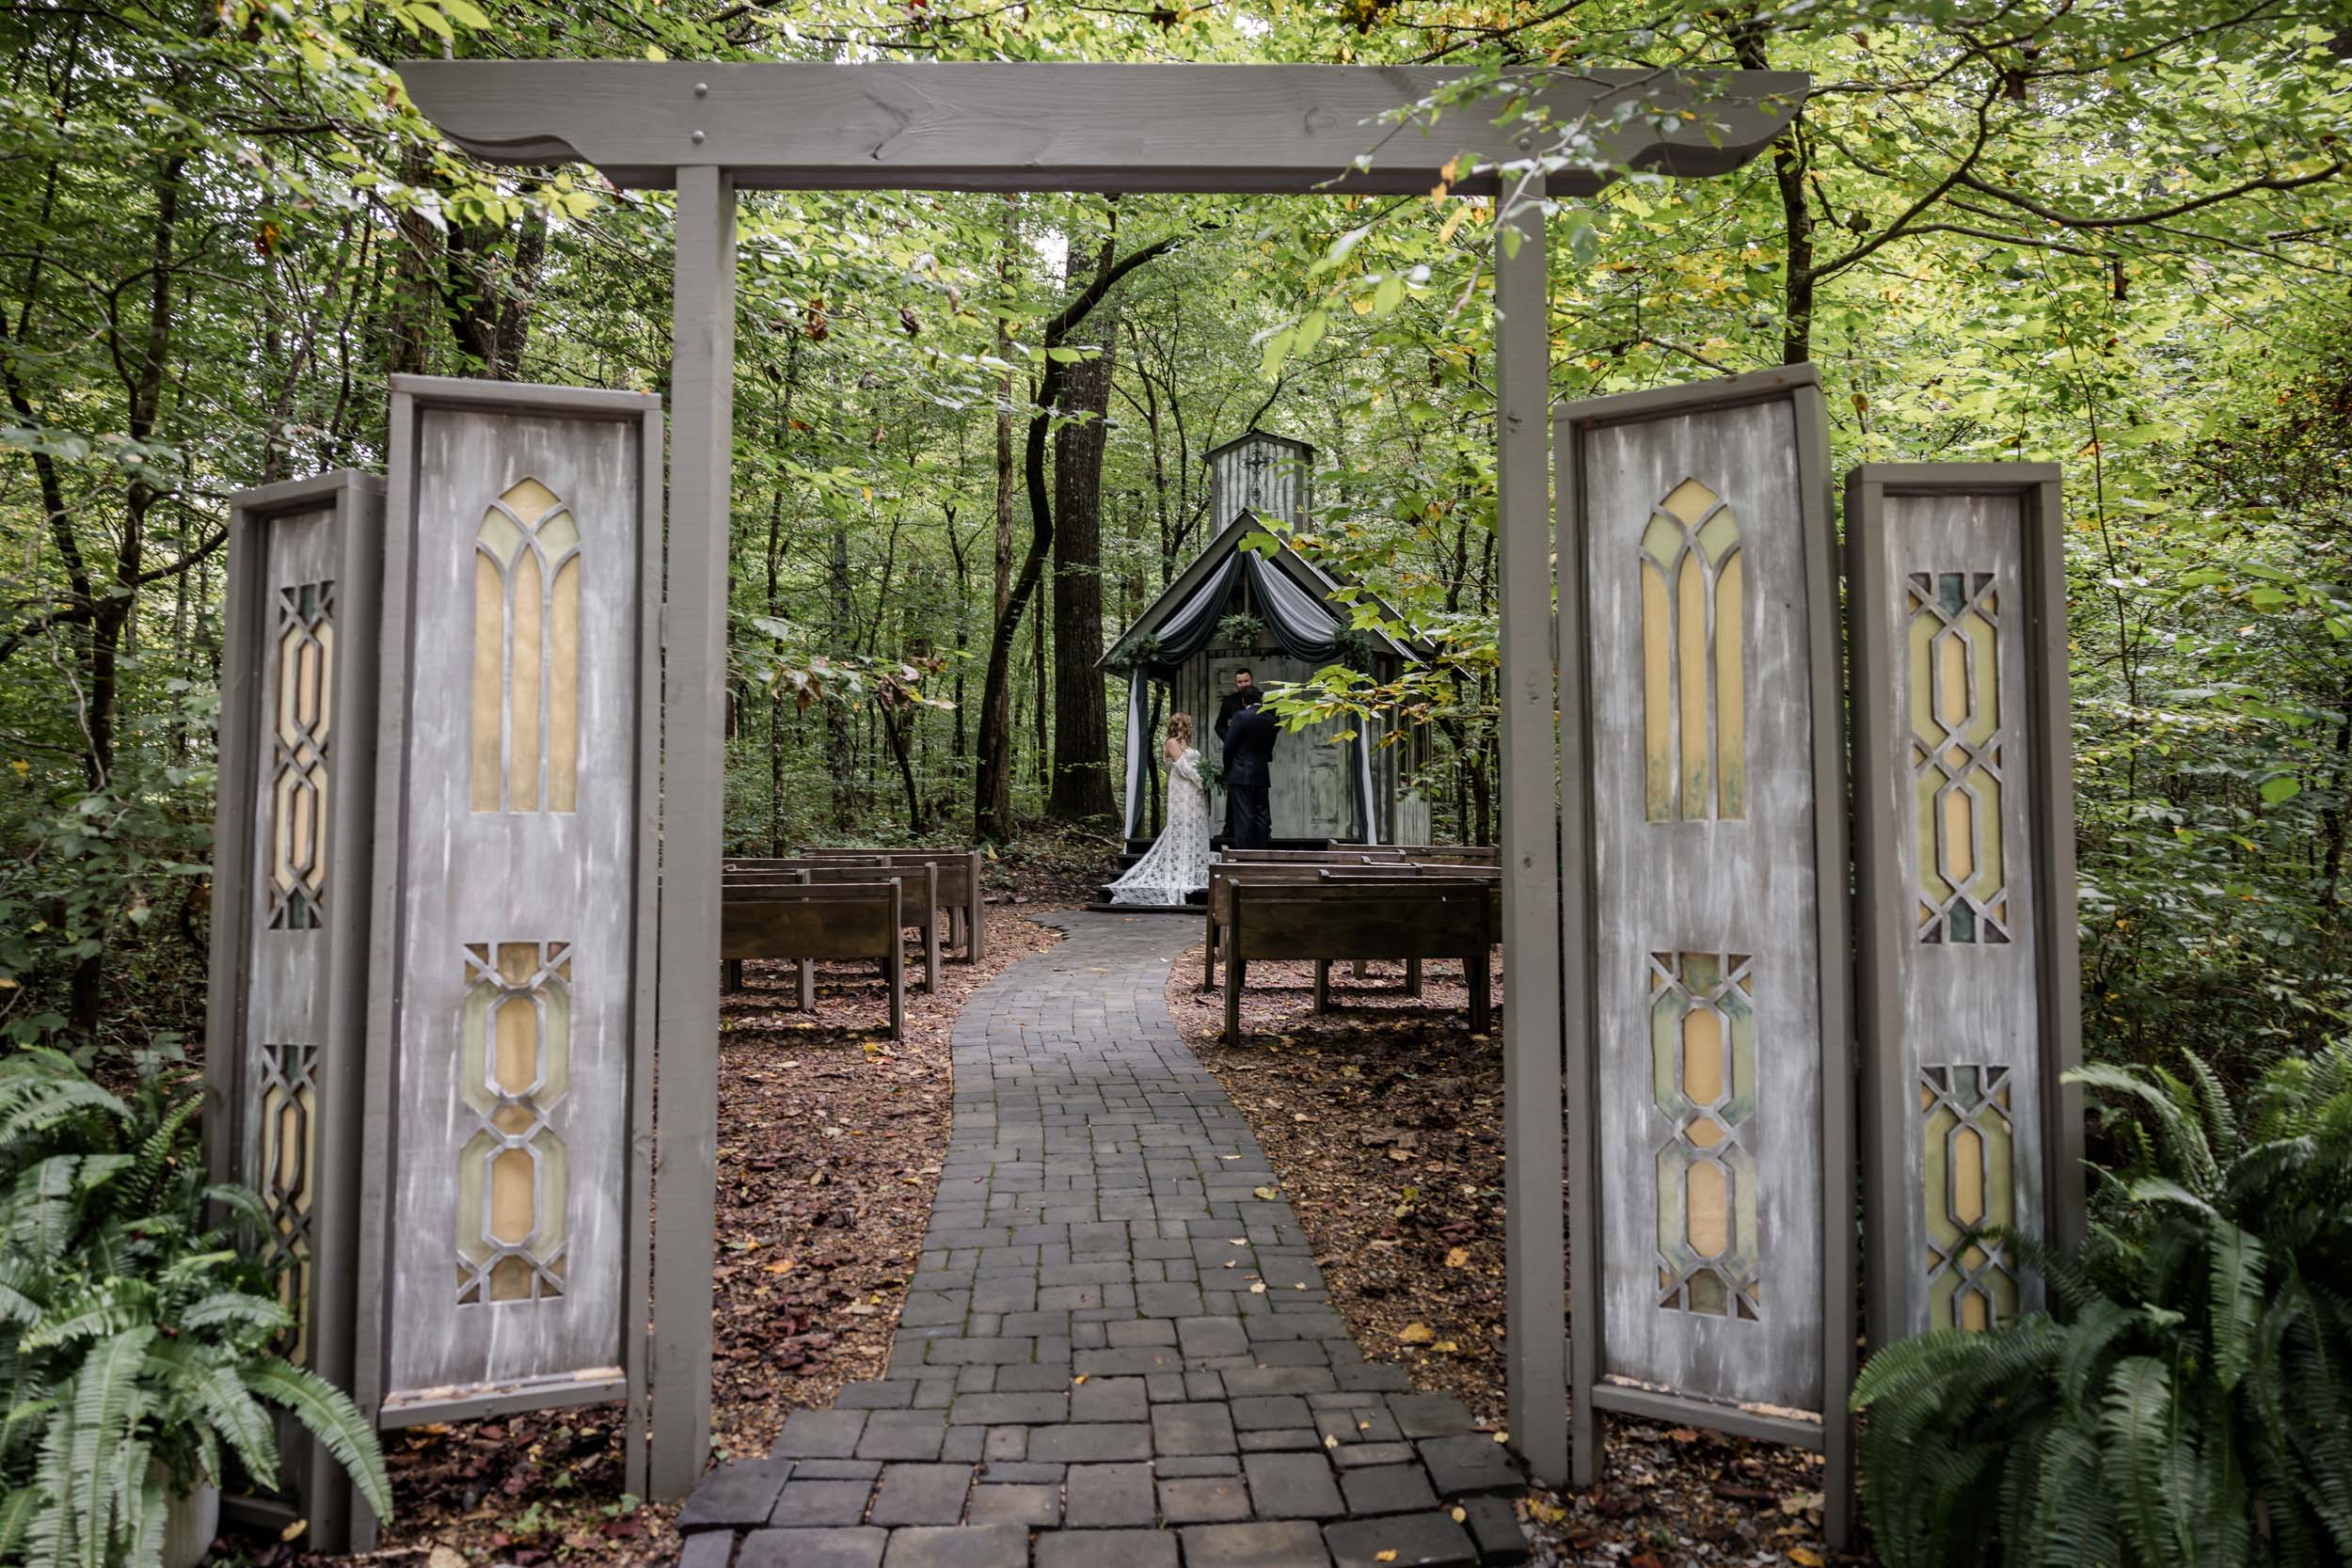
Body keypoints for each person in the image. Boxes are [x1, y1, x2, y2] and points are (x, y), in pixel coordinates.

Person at [1107, 713, 1212, 906]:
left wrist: (1206, 779)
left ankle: (1192, 870)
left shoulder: (1189, 746)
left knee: (1194, 827)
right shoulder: (1172, 743)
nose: (1187, 727)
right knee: (1180, 829)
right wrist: (1202, 779)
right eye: (1184, 724)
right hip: (1182, 789)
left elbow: (1194, 764)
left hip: (1194, 791)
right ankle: (1178, 872)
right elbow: (1182, 767)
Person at [1221, 688, 1278, 849]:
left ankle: (1244, 858)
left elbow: (1229, 746)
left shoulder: (1240, 717)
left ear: (1243, 701)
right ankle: (1261, 856)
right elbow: (1269, 747)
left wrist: (1228, 770)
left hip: (1240, 774)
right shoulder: (1270, 719)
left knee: (1244, 817)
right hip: (1261, 773)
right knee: (1262, 817)